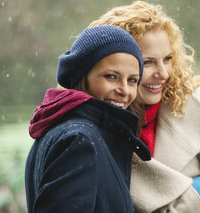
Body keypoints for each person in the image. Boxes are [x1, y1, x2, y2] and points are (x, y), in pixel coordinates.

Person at [88, 1, 200, 212]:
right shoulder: (93, 128)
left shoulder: (192, 106)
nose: (163, 73)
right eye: (148, 62)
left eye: (168, 59)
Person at [25, 25, 151, 213]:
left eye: (132, 80)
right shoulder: (80, 140)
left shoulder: (63, 128)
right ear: (83, 76)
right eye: (111, 77)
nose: (124, 90)